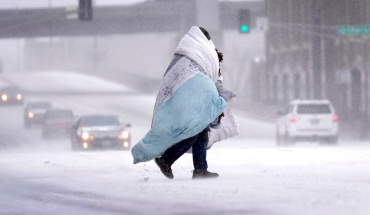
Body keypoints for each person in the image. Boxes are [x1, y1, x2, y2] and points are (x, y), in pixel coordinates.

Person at [131, 26, 238, 179]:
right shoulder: (201, 52)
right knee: (194, 129)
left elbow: (173, 78)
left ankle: (200, 169)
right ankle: (167, 159)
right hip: (190, 97)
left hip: (182, 97)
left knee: (200, 130)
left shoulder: (183, 55)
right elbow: (210, 73)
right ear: (203, 39)